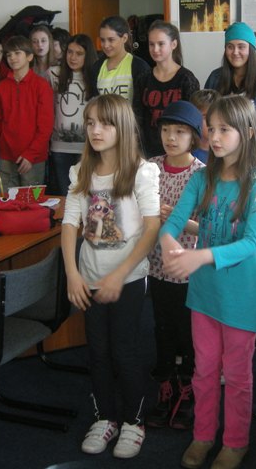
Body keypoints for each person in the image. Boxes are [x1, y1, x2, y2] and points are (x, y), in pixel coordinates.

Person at [160, 95, 256, 469]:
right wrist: (168, 242)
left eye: (225, 129)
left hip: (241, 294)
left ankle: (236, 442)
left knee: (237, 375)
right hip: (205, 293)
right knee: (205, 369)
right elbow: (173, 221)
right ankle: (203, 435)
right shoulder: (202, 177)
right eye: (212, 128)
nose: (215, 136)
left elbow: (251, 243)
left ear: (248, 132)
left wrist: (199, 256)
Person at [62, 94, 160, 460]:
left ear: (122, 127)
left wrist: (120, 275)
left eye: (104, 123)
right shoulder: (81, 172)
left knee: (124, 350)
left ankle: (134, 422)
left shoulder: (141, 171)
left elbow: (151, 227)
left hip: (128, 279)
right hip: (89, 278)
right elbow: (69, 223)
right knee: (98, 351)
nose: (96, 130)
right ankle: (106, 417)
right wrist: (72, 274)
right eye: (90, 123)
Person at [145, 100, 205, 431]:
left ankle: (187, 387)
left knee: (187, 330)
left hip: (187, 267)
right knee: (162, 325)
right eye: (166, 130)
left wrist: (178, 219)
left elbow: (207, 228)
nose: (171, 137)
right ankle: (165, 383)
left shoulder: (202, 173)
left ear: (193, 136)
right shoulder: (151, 167)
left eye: (180, 132)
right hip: (156, 264)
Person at [0, 36, 54, 188]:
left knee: (31, 201)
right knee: (7, 199)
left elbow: (45, 127)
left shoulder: (41, 86)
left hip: (33, 158)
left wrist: (31, 154)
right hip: (7, 156)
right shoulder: (2, 87)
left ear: (29, 56)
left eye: (17, 53)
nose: (12, 58)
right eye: (8, 55)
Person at [204, 22, 256, 154]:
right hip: (221, 150)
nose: (235, 52)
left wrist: (254, 150)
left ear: (251, 49)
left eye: (241, 47)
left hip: (255, 152)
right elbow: (206, 115)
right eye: (230, 47)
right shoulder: (215, 78)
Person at [139, 21, 200, 157]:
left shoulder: (186, 79)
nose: (155, 49)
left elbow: (192, 119)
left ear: (173, 44)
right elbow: (138, 116)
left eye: (161, 44)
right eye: (151, 44)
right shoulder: (143, 78)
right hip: (149, 150)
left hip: (178, 149)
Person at [48, 34, 98, 196]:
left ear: (87, 56)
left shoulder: (96, 77)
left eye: (79, 53)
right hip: (60, 147)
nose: (73, 57)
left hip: (87, 147)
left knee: (88, 195)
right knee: (66, 195)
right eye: (70, 52)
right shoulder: (53, 74)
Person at [86, 15, 152, 134]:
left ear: (124, 38)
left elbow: (144, 109)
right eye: (102, 40)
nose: (106, 45)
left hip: (130, 133)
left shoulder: (139, 67)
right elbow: (94, 103)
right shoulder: (97, 68)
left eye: (111, 40)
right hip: (104, 133)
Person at [189, 89, 220, 164]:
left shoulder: (226, 151)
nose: (211, 122)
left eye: (216, 117)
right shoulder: (186, 152)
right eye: (205, 117)